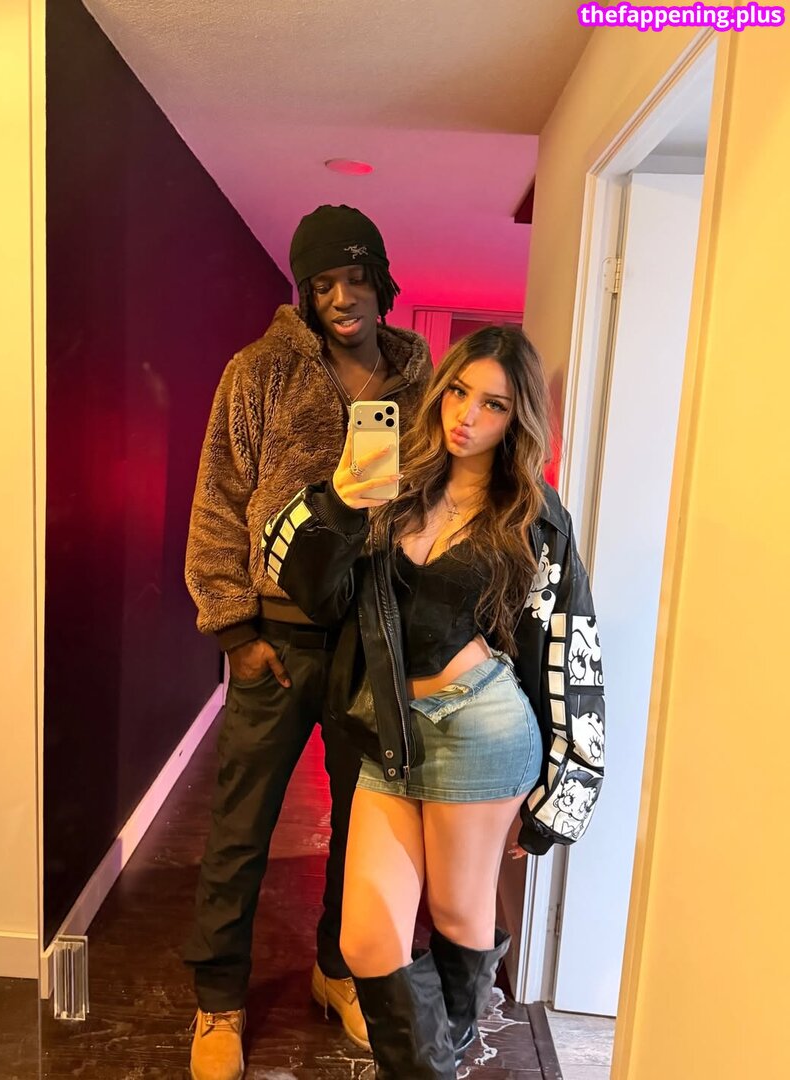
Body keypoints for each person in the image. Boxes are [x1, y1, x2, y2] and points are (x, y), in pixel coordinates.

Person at [263, 324, 605, 1077]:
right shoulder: (391, 483)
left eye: (493, 405)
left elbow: (569, 641)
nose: (467, 416)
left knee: (456, 913)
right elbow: (298, 573)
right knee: (365, 939)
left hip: (481, 727)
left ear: (516, 420)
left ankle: (434, 1064)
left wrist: (563, 787)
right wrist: (340, 499)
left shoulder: (534, 517)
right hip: (390, 732)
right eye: (458, 392)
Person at [183, 204, 432, 1080]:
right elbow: (218, 498)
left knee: (363, 826)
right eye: (323, 284)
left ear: (381, 283)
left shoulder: (416, 378)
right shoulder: (259, 371)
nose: (341, 299)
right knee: (240, 830)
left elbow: (438, 497)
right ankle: (218, 1001)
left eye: (356, 279)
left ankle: (338, 968)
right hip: (277, 644)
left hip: (375, 637)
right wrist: (236, 633)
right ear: (305, 291)